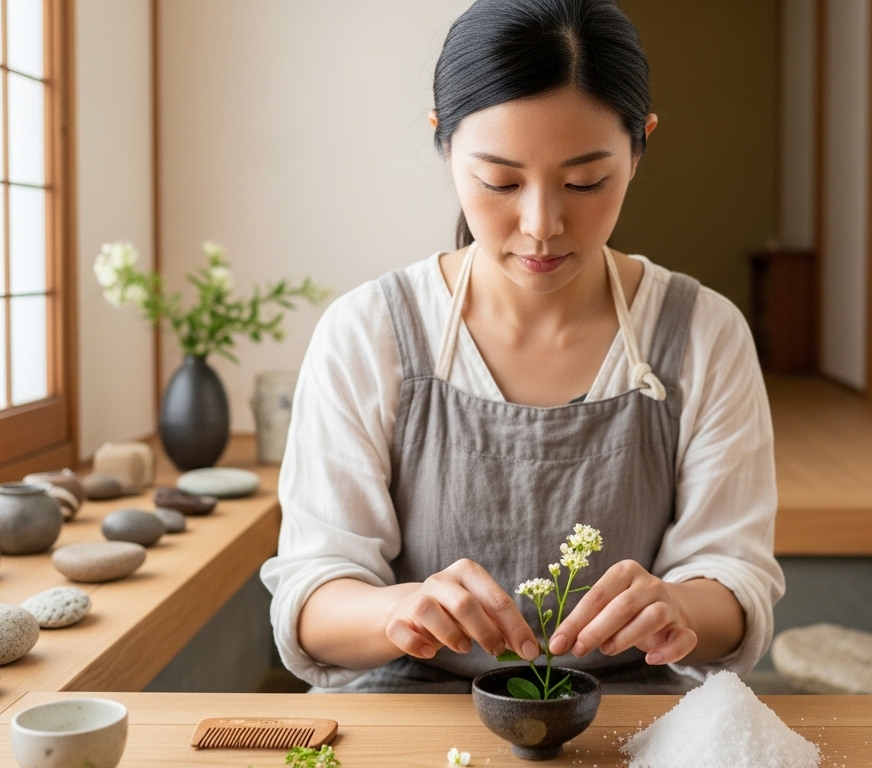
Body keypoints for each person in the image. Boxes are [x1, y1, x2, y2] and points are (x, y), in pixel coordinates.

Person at [260, 0, 783, 694]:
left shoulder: (702, 332)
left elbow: (735, 578)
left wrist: (681, 606)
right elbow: (312, 600)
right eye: (500, 182)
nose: (541, 224)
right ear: (444, 144)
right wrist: (396, 611)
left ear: (639, 147)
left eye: (585, 182)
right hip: (410, 704)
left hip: (629, 712)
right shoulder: (368, 331)